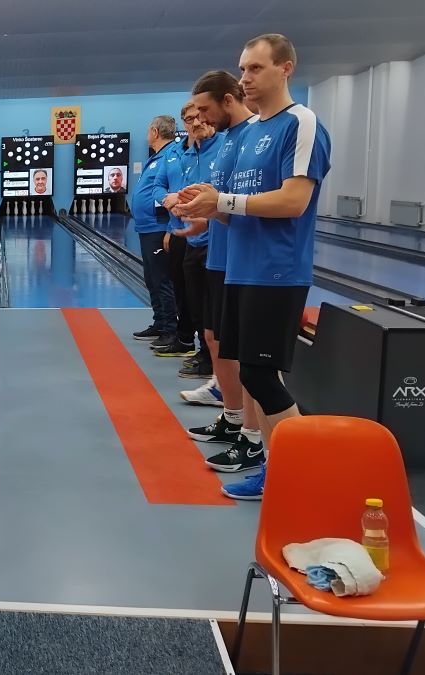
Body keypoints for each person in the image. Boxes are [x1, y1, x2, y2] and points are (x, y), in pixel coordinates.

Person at [176, 34, 331, 500]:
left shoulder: (300, 123)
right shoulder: (249, 135)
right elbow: (237, 209)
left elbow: (293, 201)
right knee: (252, 375)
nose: (245, 77)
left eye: (256, 68)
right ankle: (271, 465)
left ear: (286, 68)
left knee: (262, 376)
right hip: (242, 269)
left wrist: (222, 201)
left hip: (276, 271)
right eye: (243, 68)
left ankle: (297, 476)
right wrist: (207, 208)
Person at [178, 70, 264, 480]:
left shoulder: (259, 136)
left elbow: (267, 201)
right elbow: (223, 201)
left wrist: (216, 206)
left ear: (228, 100)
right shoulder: (230, 141)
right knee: (216, 340)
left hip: (246, 264)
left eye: (203, 110)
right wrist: (202, 215)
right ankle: (232, 419)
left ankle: (252, 436)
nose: (200, 119)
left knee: (247, 356)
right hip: (219, 255)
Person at [164, 102, 219, 376]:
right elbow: (182, 193)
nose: (195, 123)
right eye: (188, 119)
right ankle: (204, 353)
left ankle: (213, 361)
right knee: (195, 304)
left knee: (212, 309)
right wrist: (175, 206)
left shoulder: (223, 147)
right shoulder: (187, 155)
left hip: (215, 241)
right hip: (193, 241)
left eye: (199, 116)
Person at [129, 115, 180, 347]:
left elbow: (173, 193)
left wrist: (170, 228)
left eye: (149, 130)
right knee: (152, 279)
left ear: (155, 132)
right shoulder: (157, 157)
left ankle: (170, 330)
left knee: (162, 280)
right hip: (147, 227)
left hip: (159, 227)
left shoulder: (171, 155)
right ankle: (159, 323)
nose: (147, 134)